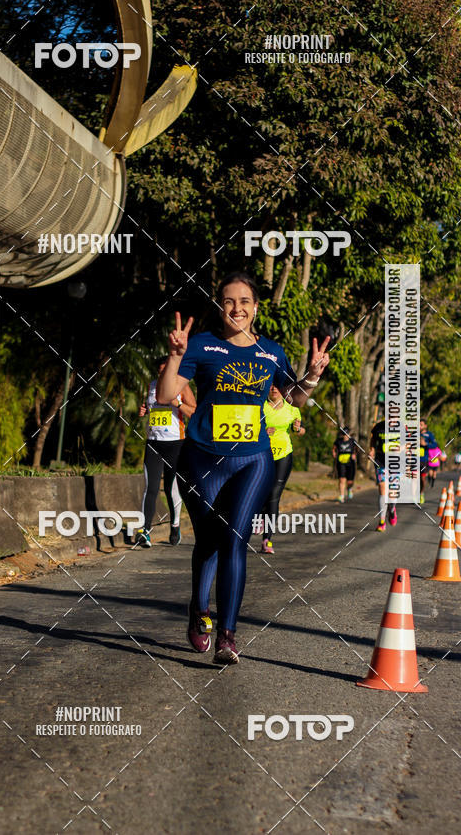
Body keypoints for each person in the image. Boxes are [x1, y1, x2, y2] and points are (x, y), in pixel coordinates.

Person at [157, 271, 330, 665]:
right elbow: (167, 396)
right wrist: (175, 355)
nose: (237, 308)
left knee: (235, 539)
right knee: (208, 542)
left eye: (245, 301)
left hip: (253, 459)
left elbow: (295, 398)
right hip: (202, 457)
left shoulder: (271, 352)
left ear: (255, 308)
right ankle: (199, 610)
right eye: (229, 301)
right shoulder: (199, 345)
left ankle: (227, 635)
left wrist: (314, 376)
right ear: (221, 307)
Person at [136, 359, 196, 547]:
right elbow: (150, 407)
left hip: (176, 444)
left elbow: (194, 412)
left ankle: (175, 524)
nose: (162, 375)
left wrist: (176, 403)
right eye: (160, 371)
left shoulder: (182, 385)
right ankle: (145, 531)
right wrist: (145, 410)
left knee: (172, 489)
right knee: (151, 487)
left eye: (166, 371)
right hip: (153, 443)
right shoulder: (151, 385)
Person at [259, 385, 305, 554]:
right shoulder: (260, 406)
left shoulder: (292, 409)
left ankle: (267, 540)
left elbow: (301, 430)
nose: (274, 388)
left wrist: (297, 428)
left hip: (283, 454)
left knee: (274, 495)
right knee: (259, 492)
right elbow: (248, 427)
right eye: (271, 385)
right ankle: (261, 515)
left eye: (277, 385)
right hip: (262, 453)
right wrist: (262, 431)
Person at [369, 418, 397, 531]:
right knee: (382, 488)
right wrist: (372, 450)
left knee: (392, 493)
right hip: (381, 461)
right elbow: (373, 439)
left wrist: (402, 448)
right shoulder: (379, 427)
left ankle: (392, 509)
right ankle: (382, 521)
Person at [332, 427, 357, 504]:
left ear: (349, 434)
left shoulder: (352, 441)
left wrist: (354, 454)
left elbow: (357, 449)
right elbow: (334, 448)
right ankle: (341, 495)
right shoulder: (338, 441)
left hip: (350, 462)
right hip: (341, 462)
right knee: (341, 479)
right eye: (343, 434)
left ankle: (349, 489)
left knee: (350, 481)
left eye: (346, 434)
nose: (345, 436)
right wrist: (334, 453)